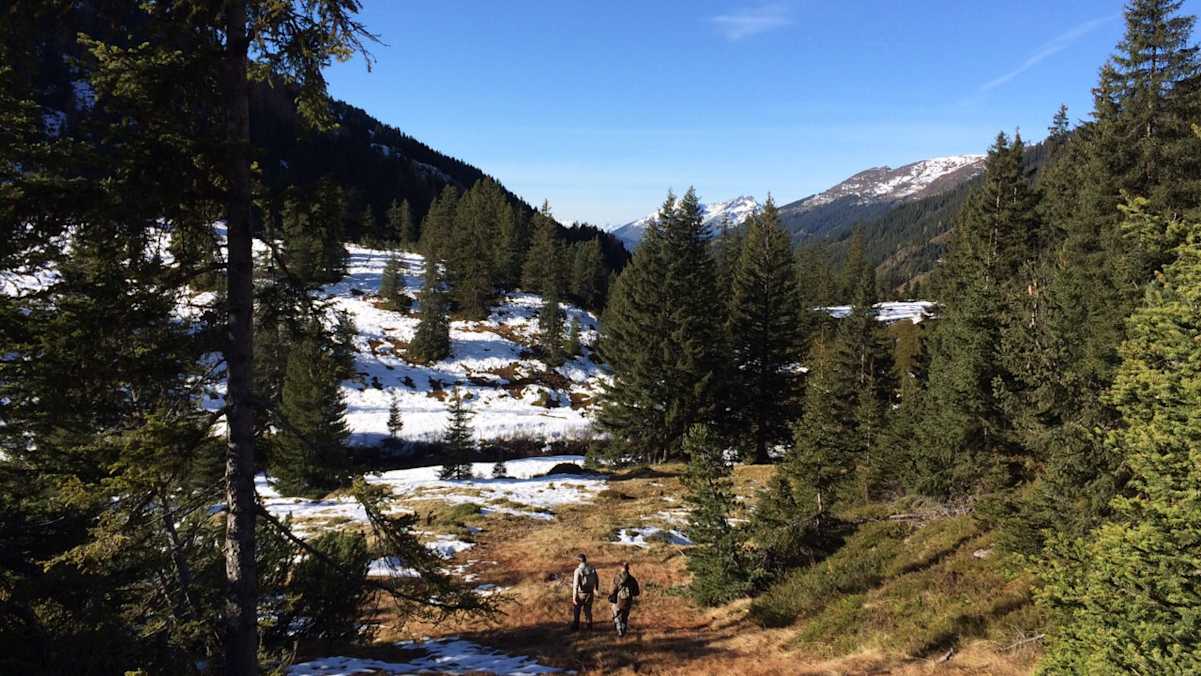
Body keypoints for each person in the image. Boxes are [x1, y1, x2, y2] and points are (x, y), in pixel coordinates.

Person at [607, 561, 640, 637]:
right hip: (628, 602)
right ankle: (623, 632)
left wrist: (611, 596)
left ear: (621, 568)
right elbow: (637, 592)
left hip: (618, 601)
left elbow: (612, 590)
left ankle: (619, 630)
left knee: (616, 616)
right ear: (628, 568)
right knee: (625, 618)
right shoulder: (632, 579)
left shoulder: (617, 578)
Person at [570, 552, 599, 631]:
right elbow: (597, 579)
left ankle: (576, 626)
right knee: (588, 610)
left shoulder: (578, 570)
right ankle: (589, 627)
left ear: (579, 561)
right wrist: (596, 589)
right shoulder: (592, 569)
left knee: (577, 610)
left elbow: (575, 585)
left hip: (580, 593)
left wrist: (574, 597)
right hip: (590, 593)